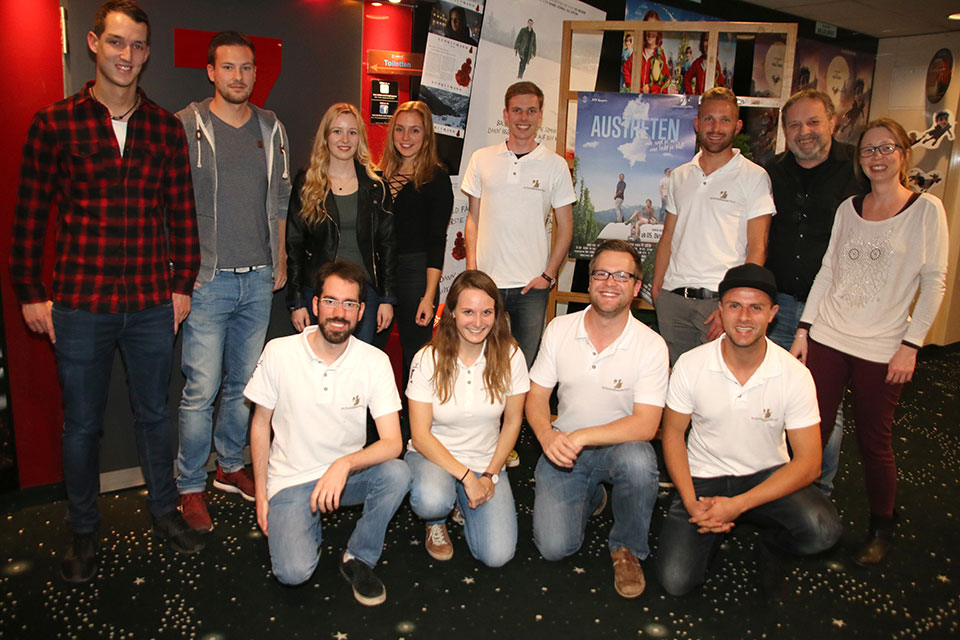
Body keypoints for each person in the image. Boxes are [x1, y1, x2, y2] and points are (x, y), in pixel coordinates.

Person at [9, 0, 204, 583]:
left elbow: (182, 215)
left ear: (147, 53)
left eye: (137, 45)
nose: (127, 55)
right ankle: (83, 530)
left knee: (154, 415)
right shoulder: (54, 123)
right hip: (80, 302)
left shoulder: (165, 129)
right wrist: (29, 291)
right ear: (94, 43)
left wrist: (182, 284)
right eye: (116, 42)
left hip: (150, 301)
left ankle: (165, 511)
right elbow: (29, 216)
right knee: (82, 425)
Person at [790, 119, 949, 566]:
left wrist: (912, 345)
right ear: (859, 160)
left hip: (883, 345)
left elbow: (934, 282)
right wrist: (804, 329)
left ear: (903, 154)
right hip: (828, 335)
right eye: (868, 150)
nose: (877, 157)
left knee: (874, 441)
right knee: (811, 429)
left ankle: (882, 525)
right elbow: (828, 270)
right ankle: (799, 513)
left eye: (886, 148)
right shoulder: (849, 207)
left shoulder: (926, 210)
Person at [657, 264, 842, 600]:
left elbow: (810, 463)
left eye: (756, 307)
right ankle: (710, 529)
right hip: (704, 476)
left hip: (766, 474)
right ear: (720, 310)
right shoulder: (691, 364)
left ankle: (771, 546)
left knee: (823, 530)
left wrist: (737, 505)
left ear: (773, 314)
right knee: (676, 581)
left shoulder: (794, 374)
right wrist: (691, 503)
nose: (744, 317)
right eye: (734, 306)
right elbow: (672, 436)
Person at [174, 31, 292, 532]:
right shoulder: (187, 126)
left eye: (246, 68)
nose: (238, 76)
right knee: (200, 389)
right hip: (208, 282)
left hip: (259, 279)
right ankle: (189, 485)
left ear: (256, 73)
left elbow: (281, 198)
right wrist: (181, 276)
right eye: (228, 67)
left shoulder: (271, 127)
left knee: (243, 386)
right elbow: (171, 202)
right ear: (211, 72)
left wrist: (279, 256)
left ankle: (228, 465)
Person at [245, 261, 411, 605]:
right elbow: (260, 425)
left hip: (345, 477)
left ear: (361, 312)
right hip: (291, 480)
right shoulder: (279, 351)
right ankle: (305, 521)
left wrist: (344, 464)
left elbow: (393, 442)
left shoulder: (374, 361)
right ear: (316, 304)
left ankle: (359, 556)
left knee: (398, 474)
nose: (339, 312)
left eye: (349, 304)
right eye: (331, 301)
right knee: (293, 573)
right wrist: (262, 494)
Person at [526, 240, 668, 599]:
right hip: (564, 446)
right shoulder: (559, 329)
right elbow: (536, 396)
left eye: (622, 276)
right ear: (589, 281)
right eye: (602, 274)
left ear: (636, 288)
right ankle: (594, 497)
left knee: (639, 462)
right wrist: (546, 435)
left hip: (621, 447)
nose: (610, 283)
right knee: (555, 548)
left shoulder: (651, 345)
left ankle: (627, 548)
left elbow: (646, 425)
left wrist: (581, 437)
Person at [765, 90, 867, 495]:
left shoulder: (858, 172)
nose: (804, 132)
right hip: (776, 306)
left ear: (833, 122)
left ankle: (817, 491)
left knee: (823, 404)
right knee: (771, 394)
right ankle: (774, 484)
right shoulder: (771, 171)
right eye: (794, 124)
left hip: (830, 311)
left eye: (813, 122)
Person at [405, 271, 528, 566]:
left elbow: (513, 422)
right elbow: (420, 435)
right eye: (468, 312)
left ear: (497, 315)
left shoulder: (511, 355)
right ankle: (437, 519)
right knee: (432, 500)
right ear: (452, 312)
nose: (477, 322)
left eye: (487, 312)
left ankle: (461, 499)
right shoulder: (427, 358)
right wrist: (466, 477)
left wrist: (489, 476)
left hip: (485, 461)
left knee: (497, 556)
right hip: (434, 458)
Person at [652, 87, 775, 366]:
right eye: (709, 119)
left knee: (719, 380)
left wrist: (733, 305)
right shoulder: (680, 175)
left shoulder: (754, 177)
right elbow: (668, 236)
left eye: (724, 120)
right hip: (673, 300)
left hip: (719, 302)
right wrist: (658, 292)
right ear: (697, 123)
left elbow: (758, 246)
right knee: (677, 381)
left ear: (737, 126)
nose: (716, 128)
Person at [461, 81, 575, 372]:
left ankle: (519, 407)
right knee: (483, 362)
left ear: (540, 116)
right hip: (486, 284)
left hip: (531, 287)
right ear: (506, 114)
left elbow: (566, 226)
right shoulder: (481, 158)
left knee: (525, 365)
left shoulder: (555, 165)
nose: (524, 118)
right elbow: (473, 218)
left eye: (531, 111)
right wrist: (473, 271)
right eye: (517, 110)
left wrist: (548, 276)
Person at [286, 103, 396, 346]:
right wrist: (297, 301)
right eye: (337, 131)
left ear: (360, 138)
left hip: (364, 293)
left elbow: (388, 245)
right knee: (319, 361)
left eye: (352, 132)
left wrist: (387, 298)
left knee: (359, 363)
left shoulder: (376, 185)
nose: (345, 139)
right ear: (325, 137)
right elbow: (294, 245)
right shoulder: (307, 182)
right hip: (319, 291)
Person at [378, 101, 453, 406]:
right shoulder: (377, 176)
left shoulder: (436, 179)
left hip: (415, 274)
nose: (406, 137)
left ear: (426, 135)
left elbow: (437, 241)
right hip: (378, 274)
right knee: (369, 353)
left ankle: (415, 428)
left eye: (414, 130)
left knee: (415, 358)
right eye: (400, 129)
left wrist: (428, 296)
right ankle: (373, 425)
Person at [639, 12, 670, 94]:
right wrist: (635, 87)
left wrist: (650, 88)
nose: (650, 33)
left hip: (652, 98)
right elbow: (626, 69)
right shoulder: (638, 52)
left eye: (654, 28)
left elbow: (665, 80)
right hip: (637, 97)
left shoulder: (660, 55)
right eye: (648, 27)